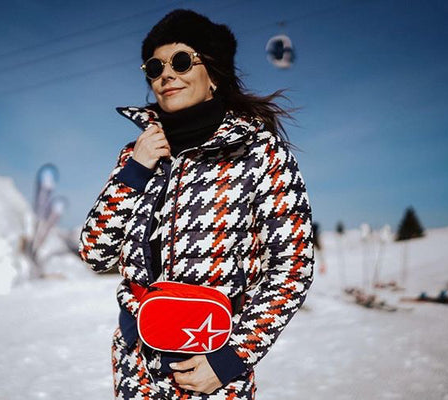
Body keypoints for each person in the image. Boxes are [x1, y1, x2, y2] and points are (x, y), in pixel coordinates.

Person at [79, 9, 314, 399]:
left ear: (214, 74)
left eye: (181, 61)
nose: (166, 75)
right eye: (154, 67)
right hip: (137, 365)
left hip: (210, 364)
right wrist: (135, 171)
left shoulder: (259, 153)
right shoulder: (136, 155)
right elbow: (95, 253)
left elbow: (291, 269)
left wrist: (231, 358)